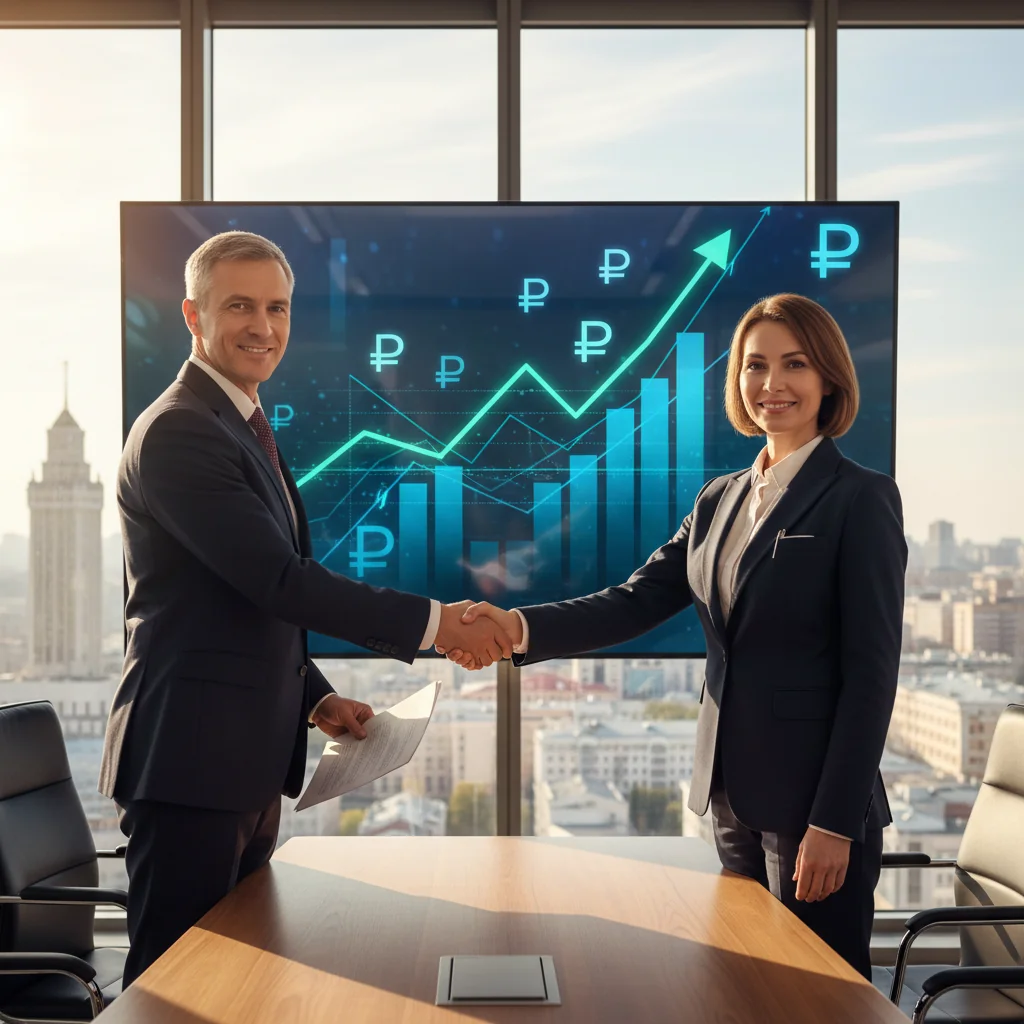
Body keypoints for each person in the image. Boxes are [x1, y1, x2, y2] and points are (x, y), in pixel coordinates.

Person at [440, 294, 906, 978]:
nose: (772, 383)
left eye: (794, 364)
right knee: (745, 985)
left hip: (814, 810)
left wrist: (835, 821)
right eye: (755, 366)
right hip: (730, 798)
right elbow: (634, 602)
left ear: (829, 378)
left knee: (822, 999)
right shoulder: (719, 498)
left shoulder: (860, 498)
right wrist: (515, 627)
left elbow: (872, 675)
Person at [99, 230, 511, 986]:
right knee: (174, 988)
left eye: (278, 308)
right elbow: (279, 580)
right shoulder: (181, 429)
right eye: (240, 307)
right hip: (190, 763)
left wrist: (314, 698)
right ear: (193, 315)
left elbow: (234, 601)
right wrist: (434, 623)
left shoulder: (240, 420)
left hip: (238, 760)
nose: (264, 326)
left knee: (233, 980)